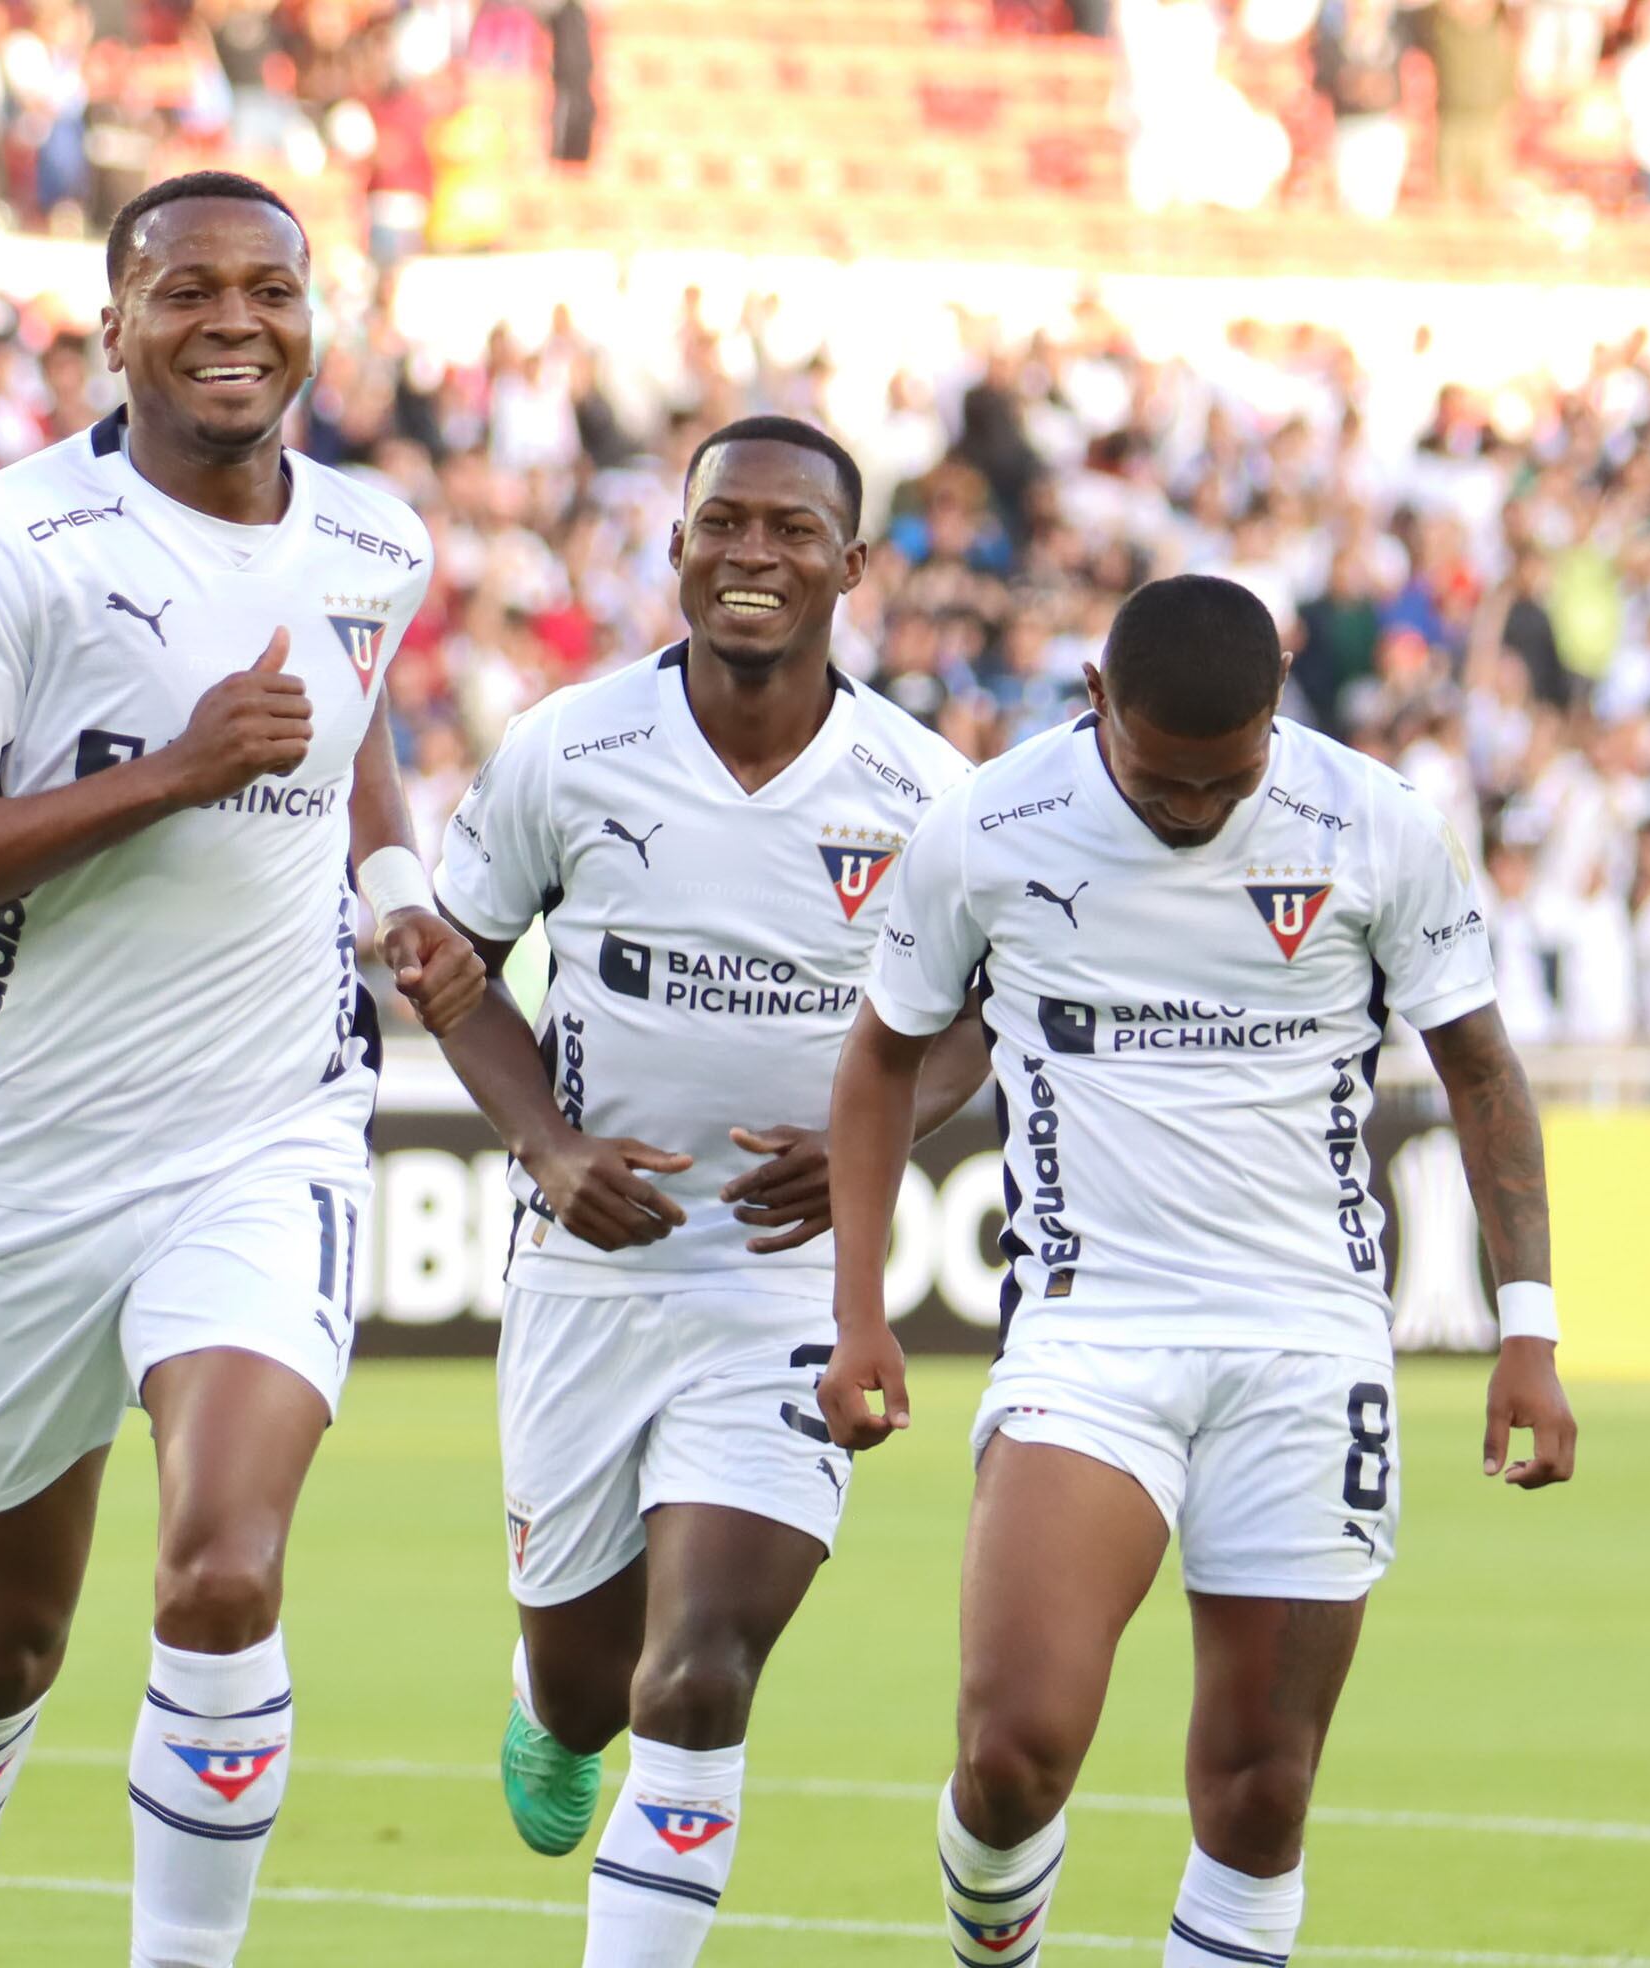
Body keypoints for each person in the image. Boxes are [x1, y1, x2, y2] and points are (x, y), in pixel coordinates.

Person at [0, 171, 486, 1968]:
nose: (233, 321)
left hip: (267, 1136)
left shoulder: (375, 546)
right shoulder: (5, 549)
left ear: (314, 315)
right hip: (28, 1163)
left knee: (221, 1567)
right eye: (186, 291)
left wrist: (396, 885)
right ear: (110, 326)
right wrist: (166, 775)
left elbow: (340, 731)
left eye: (269, 288)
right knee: (0, 1642)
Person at [819, 575, 1579, 1968]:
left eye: (1224, 788)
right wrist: (856, 1310)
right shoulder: (992, 825)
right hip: (1089, 1336)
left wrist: (1527, 1330)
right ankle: (997, 1924)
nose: (1192, 815)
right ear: (1096, 702)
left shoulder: (1377, 825)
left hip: (1310, 1345)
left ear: (1278, 711)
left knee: (1260, 1787)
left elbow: (1481, 1071)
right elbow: (880, 1056)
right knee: (1013, 1748)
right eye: (1162, 787)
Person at [428, 415, 993, 1966]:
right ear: (674, 548)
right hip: (589, 1280)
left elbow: (987, 1021)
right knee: (591, 1684)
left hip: (780, 1292)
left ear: (852, 567)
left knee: (698, 1677)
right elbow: (454, 969)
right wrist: (548, 1148)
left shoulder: (928, 793)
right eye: (723, 525)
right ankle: (551, 1710)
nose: (755, 555)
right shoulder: (567, 747)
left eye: (793, 531)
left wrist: (887, 1133)